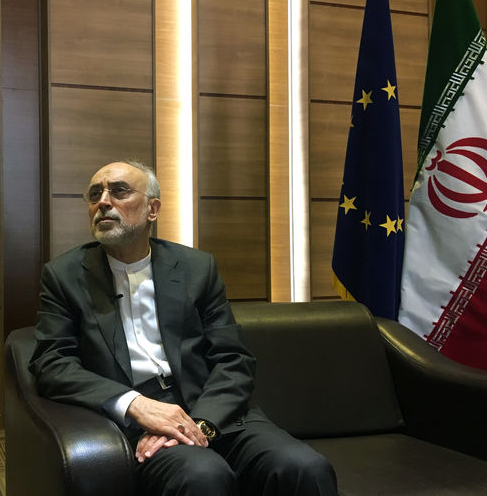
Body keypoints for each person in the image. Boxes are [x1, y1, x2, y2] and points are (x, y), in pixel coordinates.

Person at [29, 160, 337, 496]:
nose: (103, 201)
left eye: (119, 191)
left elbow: (233, 358)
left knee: (305, 468)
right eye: (94, 194)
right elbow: (52, 363)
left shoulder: (196, 267)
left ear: (152, 209)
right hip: (137, 419)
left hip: (213, 408)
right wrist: (134, 405)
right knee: (203, 476)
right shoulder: (64, 275)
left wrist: (199, 423)